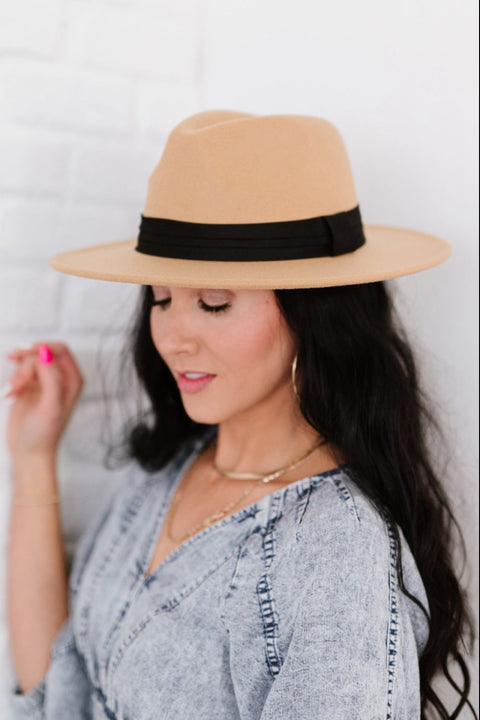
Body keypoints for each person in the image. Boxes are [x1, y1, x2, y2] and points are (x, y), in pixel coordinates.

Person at [4, 110, 476, 719]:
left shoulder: (333, 553)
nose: (173, 336)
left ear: (314, 315)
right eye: (162, 298)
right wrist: (34, 457)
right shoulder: (167, 472)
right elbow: (55, 696)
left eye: (215, 304)